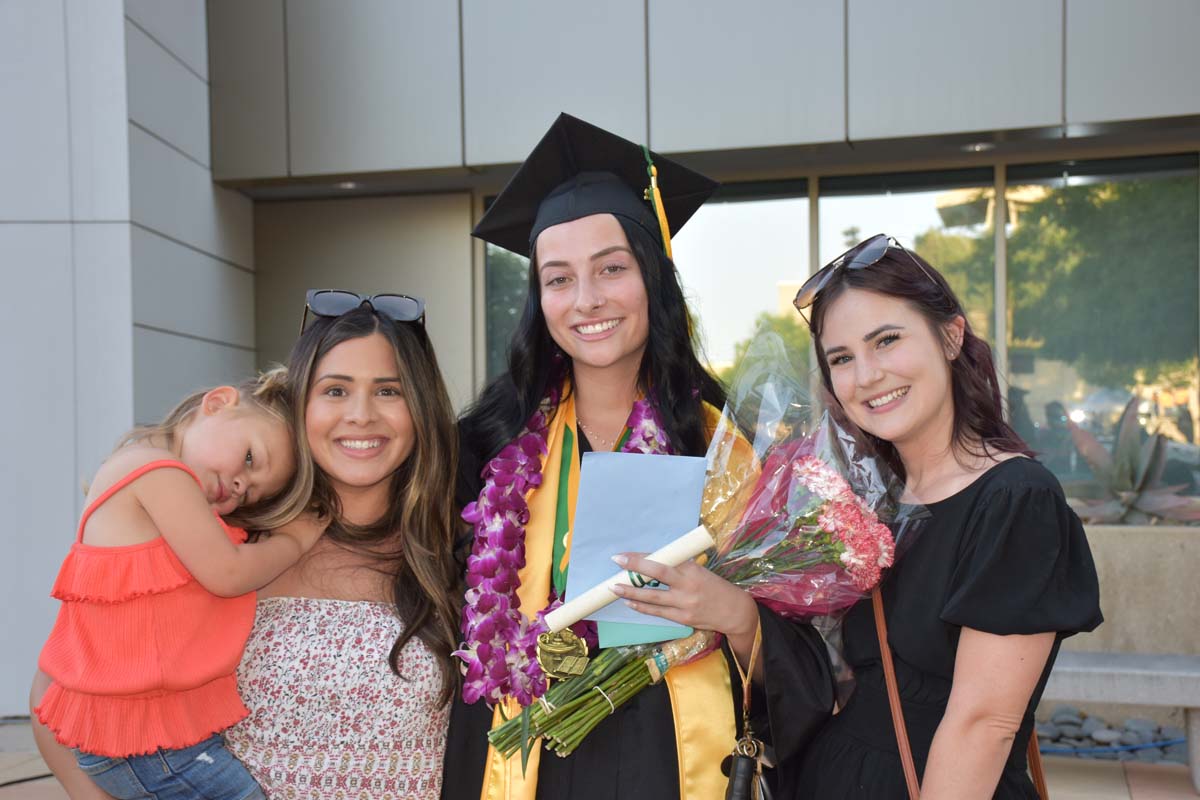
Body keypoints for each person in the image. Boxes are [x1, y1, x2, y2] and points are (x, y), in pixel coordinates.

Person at [444, 113, 835, 800]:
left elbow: (804, 655)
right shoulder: (482, 450)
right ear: (538, 298)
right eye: (558, 279)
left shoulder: (727, 448)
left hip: (674, 760)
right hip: (524, 754)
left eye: (612, 268)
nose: (587, 299)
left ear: (652, 277)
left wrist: (739, 617)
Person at [793, 234, 1103, 798]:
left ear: (951, 336)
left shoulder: (1014, 499)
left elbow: (983, 725)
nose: (865, 376)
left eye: (886, 340)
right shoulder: (870, 498)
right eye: (842, 359)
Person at [31, 369, 325, 800]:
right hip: (149, 746)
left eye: (251, 494)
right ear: (218, 402)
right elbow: (229, 573)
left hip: (134, 743)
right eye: (249, 458)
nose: (241, 485)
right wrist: (295, 540)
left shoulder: (152, 482)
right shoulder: (157, 472)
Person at [223, 294, 462, 800]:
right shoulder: (231, 540)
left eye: (388, 391)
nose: (360, 415)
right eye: (335, 390)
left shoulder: (460, 549)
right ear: (298, 403)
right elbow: (61, 703)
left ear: (420, 407)